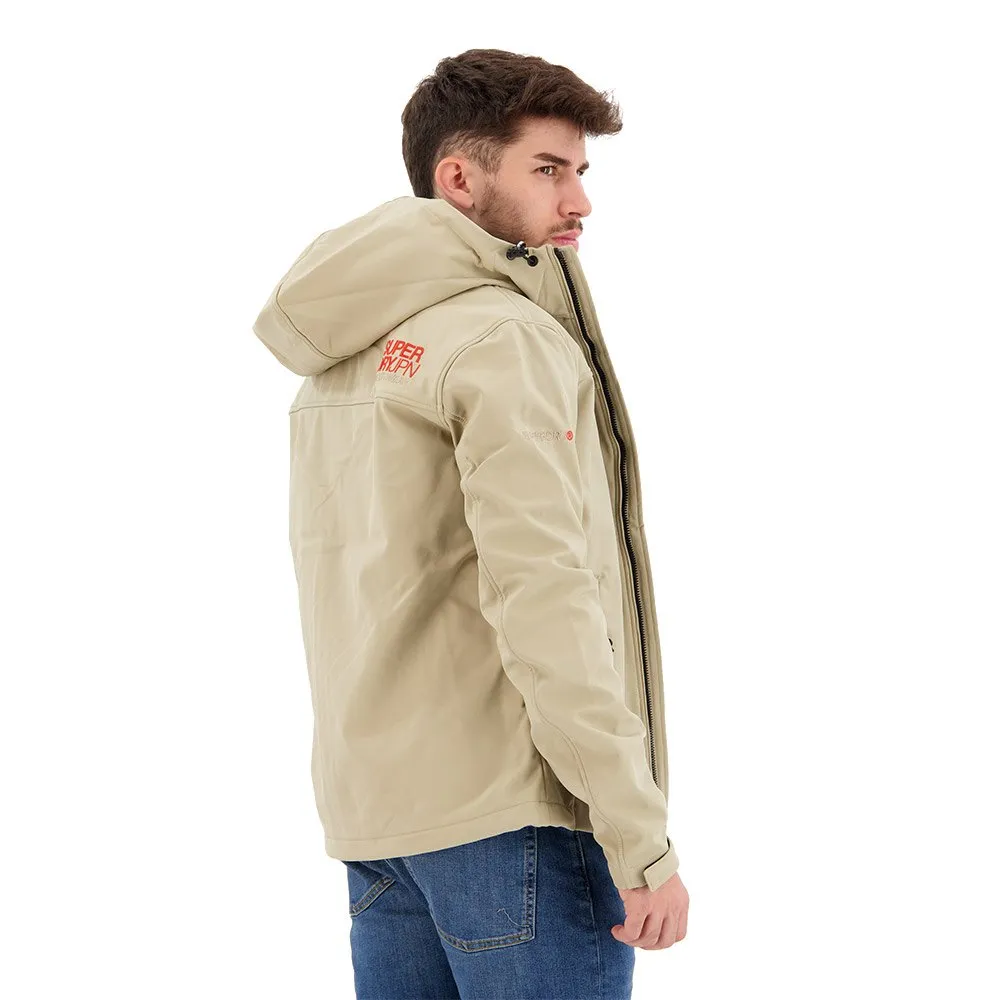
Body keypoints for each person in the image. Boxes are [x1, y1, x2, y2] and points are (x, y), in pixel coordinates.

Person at [252, 47, 690, 999]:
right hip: (515, 820)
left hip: (379, 823)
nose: (579, 201)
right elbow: (545, 597)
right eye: (549, 169)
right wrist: (637, 834)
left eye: (581, 171)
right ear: (459, 177)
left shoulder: (342, 354)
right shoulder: (506, 338)